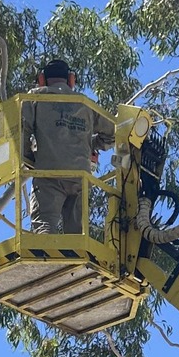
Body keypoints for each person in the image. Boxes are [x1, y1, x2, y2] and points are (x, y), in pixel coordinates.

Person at [19, 58, 111, 234]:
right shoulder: (85, 104)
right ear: (71, 80)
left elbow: (21, 130)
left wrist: (30, 158)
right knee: (77, 237)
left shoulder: (34, 97)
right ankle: (74, 258)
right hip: (80, 178)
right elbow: (113, 133)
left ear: (41, 79)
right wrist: (90, 144)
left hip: (48, 174)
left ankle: (46, 256)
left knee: (44, 228)